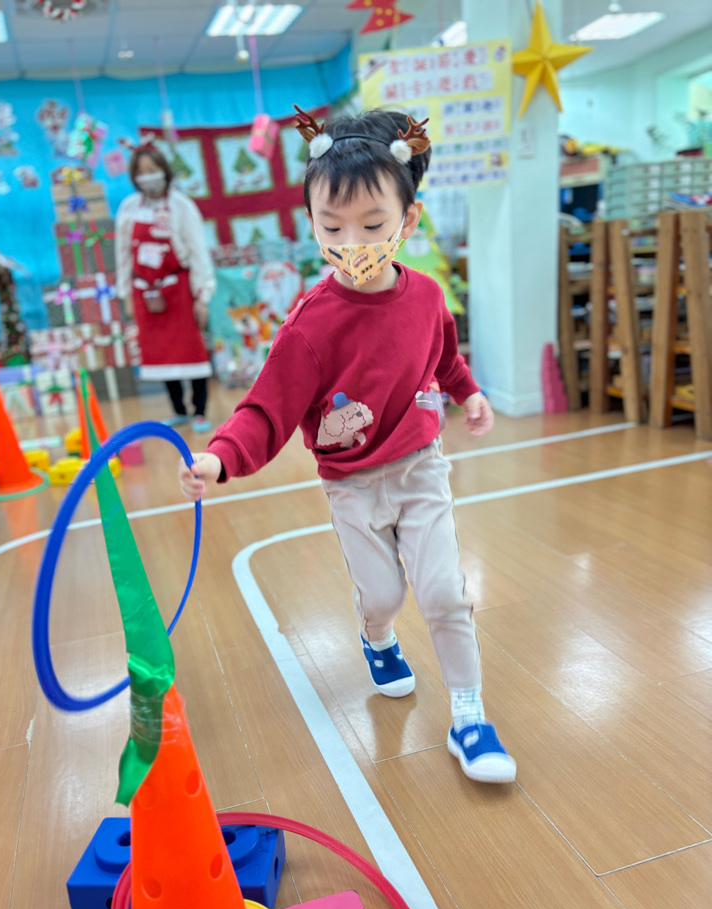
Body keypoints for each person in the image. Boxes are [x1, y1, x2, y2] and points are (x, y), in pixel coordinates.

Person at [178, 107, 516, 784]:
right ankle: (376, 636)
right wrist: (220, 455)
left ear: (408, 219)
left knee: (445, 593)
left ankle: (470, 716)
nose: (351, 242)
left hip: (421, 467)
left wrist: (470, 392)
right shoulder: (309, 325)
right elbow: (267, 409)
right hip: (352, 483)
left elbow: (443, 358)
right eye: (332, 228)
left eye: (371, 225)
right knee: (383, 595)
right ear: (311, 222)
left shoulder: (427, 298)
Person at [116, 143, 216, 432]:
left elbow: (198, 253)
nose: (148, 176)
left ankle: (199, 410)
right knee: (160, 352)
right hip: (144, 291)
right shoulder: (129, 208)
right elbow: (123, 254)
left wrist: (202, 295)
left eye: (153, 169)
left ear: (164, 170)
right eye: (141, 172)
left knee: (190, 350)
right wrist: (126, 293)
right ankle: (178, 409)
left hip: (178, 289)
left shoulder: (182, 207)